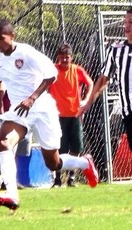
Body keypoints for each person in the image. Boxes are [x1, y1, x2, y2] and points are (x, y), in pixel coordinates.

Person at [0, 19, 98, 211]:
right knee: (4, 143)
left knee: (53, 163)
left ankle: (84, 162)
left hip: (42, 108)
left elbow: (51, 75)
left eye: (1, 38)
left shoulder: (27, 53)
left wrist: (32, 98)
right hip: (19, 110)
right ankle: (12, 196)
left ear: (12, 36)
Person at [77, 6, 132, 211]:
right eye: (124, 22)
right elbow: (103, 79)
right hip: (128, 109)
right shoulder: (116, 50)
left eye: (131, 22)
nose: (125, 26)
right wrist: (88, 102)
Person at [49, 43, 93, 187]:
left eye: (67, 58)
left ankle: (71, 177)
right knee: (59, 148)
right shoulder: (53, 70)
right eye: (61, 58)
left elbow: (90, 84)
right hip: (58, 115)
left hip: (75, 115)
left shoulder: (77, 70)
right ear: (58, 58)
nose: (64, 61)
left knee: (76, 147)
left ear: (71, 57)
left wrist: (85, 100)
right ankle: (57, 179)